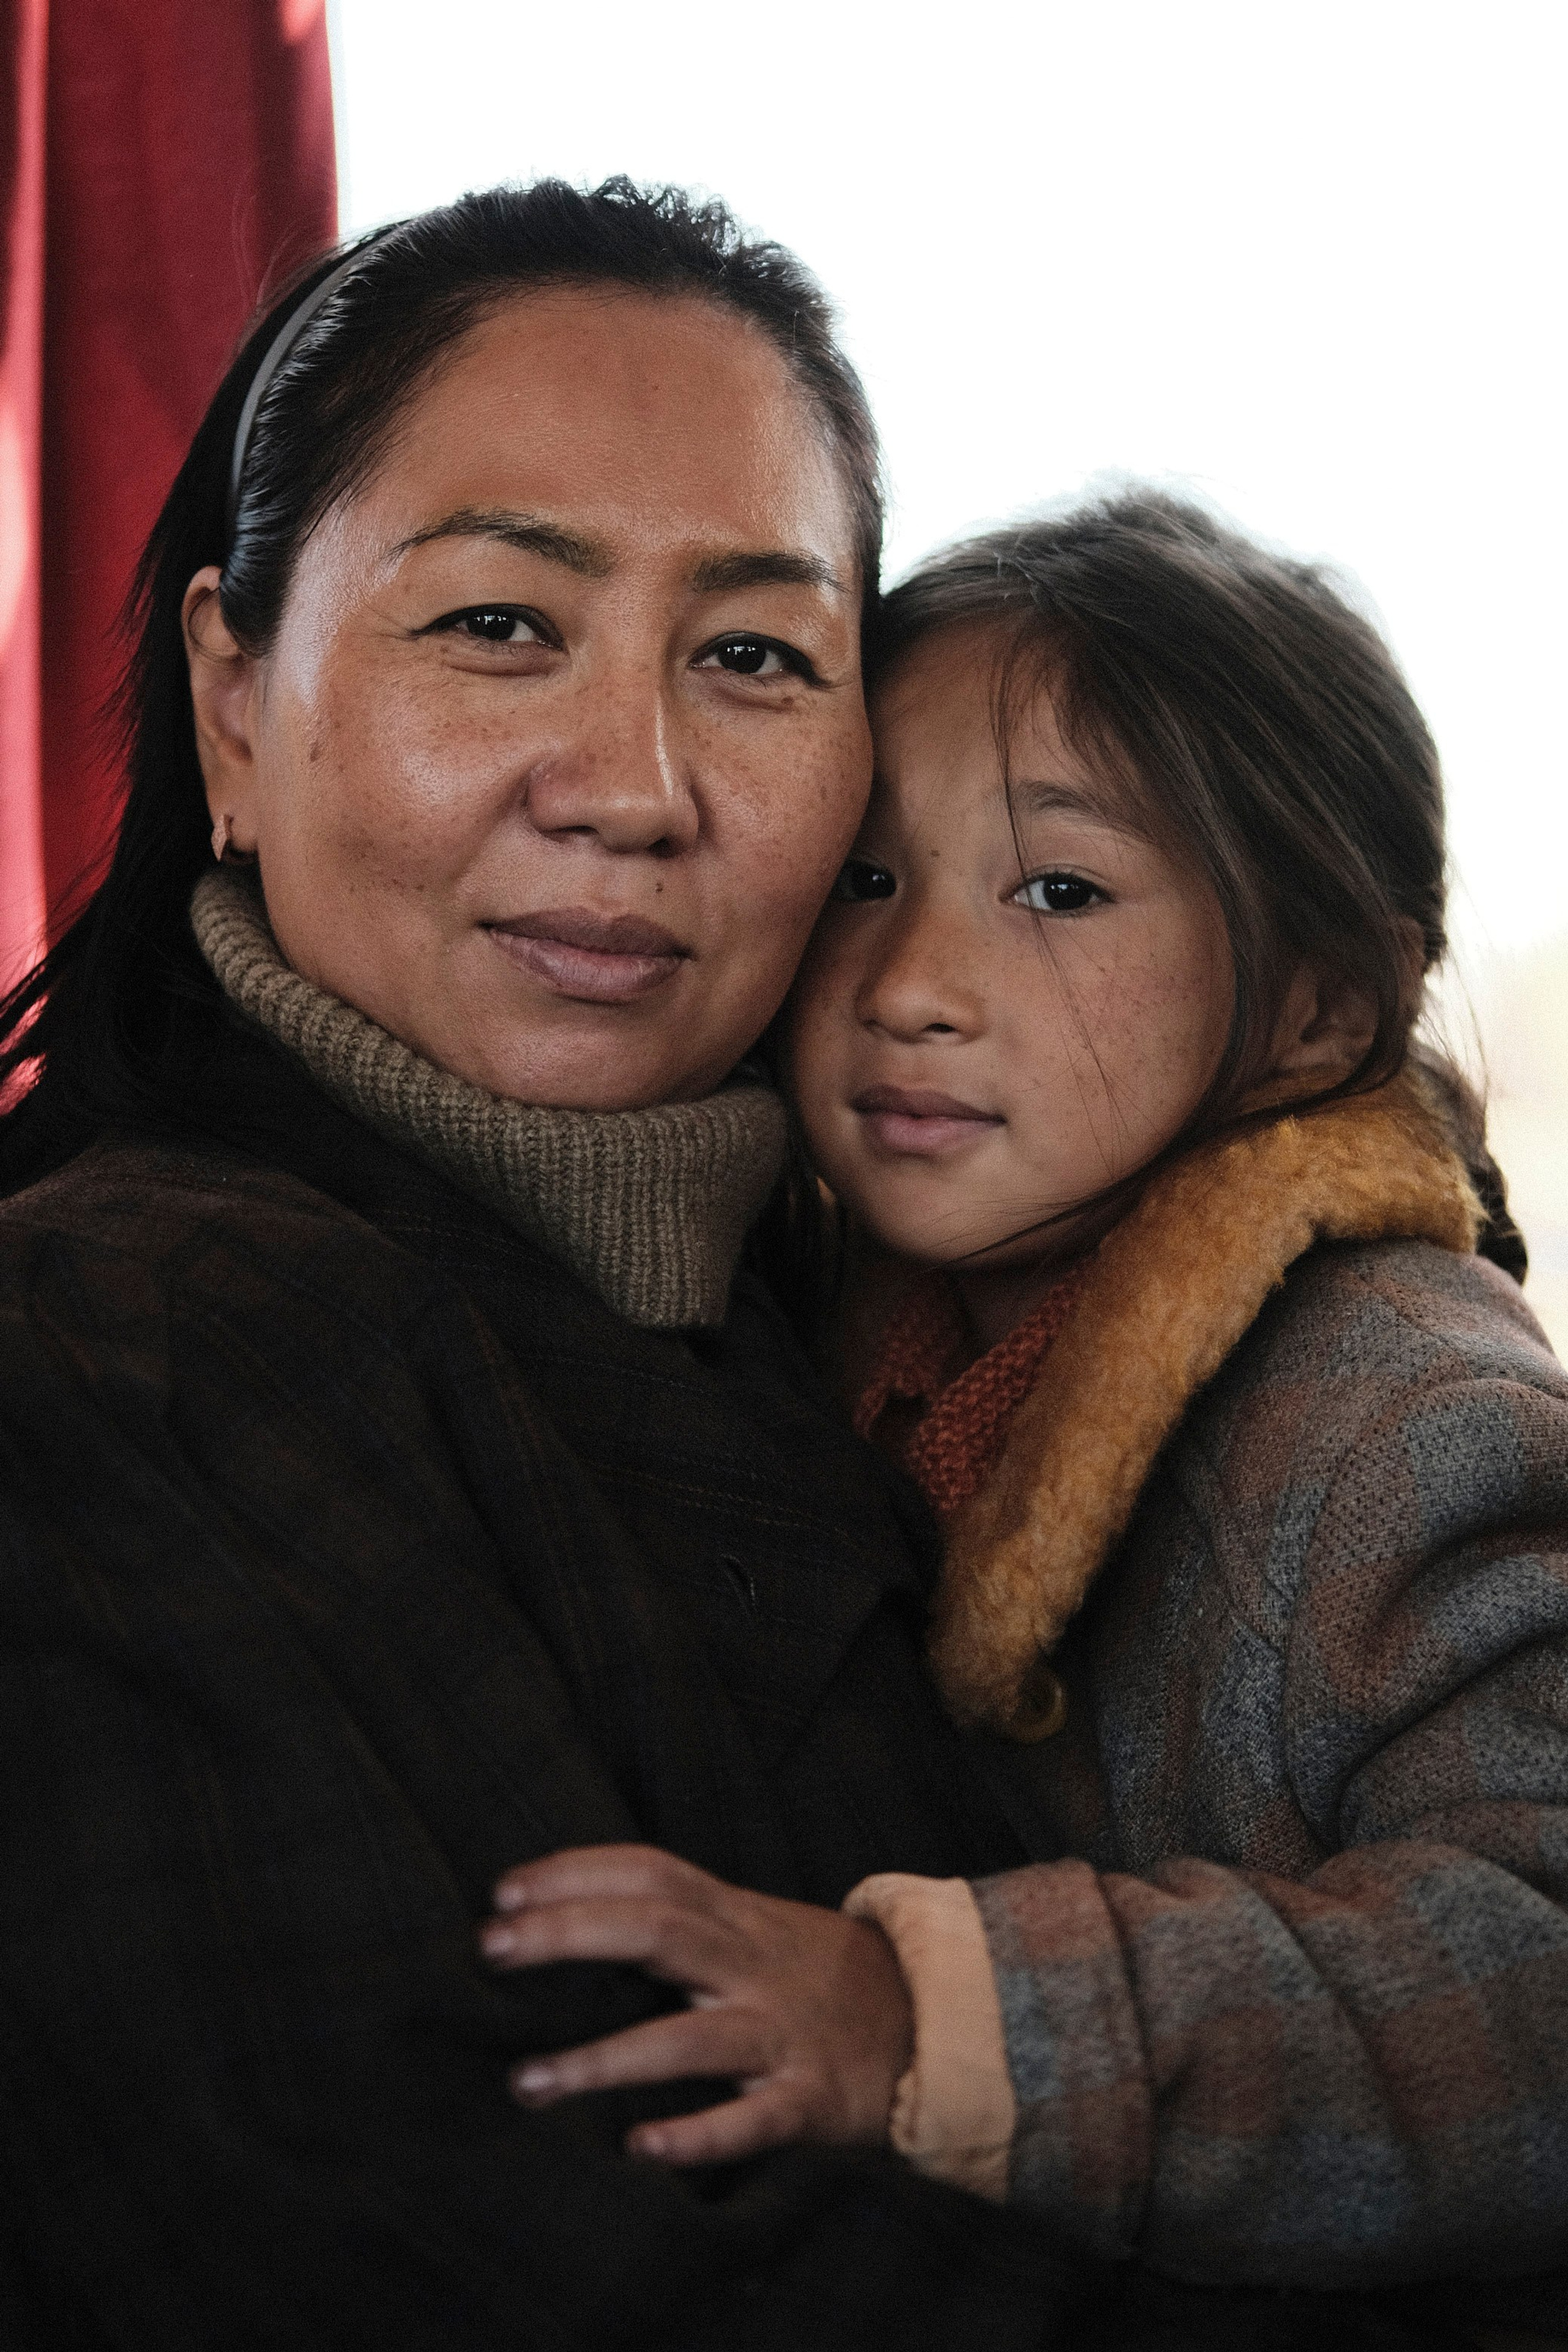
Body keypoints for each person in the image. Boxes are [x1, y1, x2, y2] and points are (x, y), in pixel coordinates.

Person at [0, 179, 1102, 2350]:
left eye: (759, 657)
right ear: (236, 704)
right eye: (501, 625)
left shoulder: (887, 1340)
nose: (636, 786)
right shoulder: (115, 1352)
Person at [482, 495, 1568, 2343]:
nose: (912, 991)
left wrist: (940, 2017)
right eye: (866, 880)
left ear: (1318, 1007)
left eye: (1059, 892)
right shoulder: (830, 1316)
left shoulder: (1410, 1422)